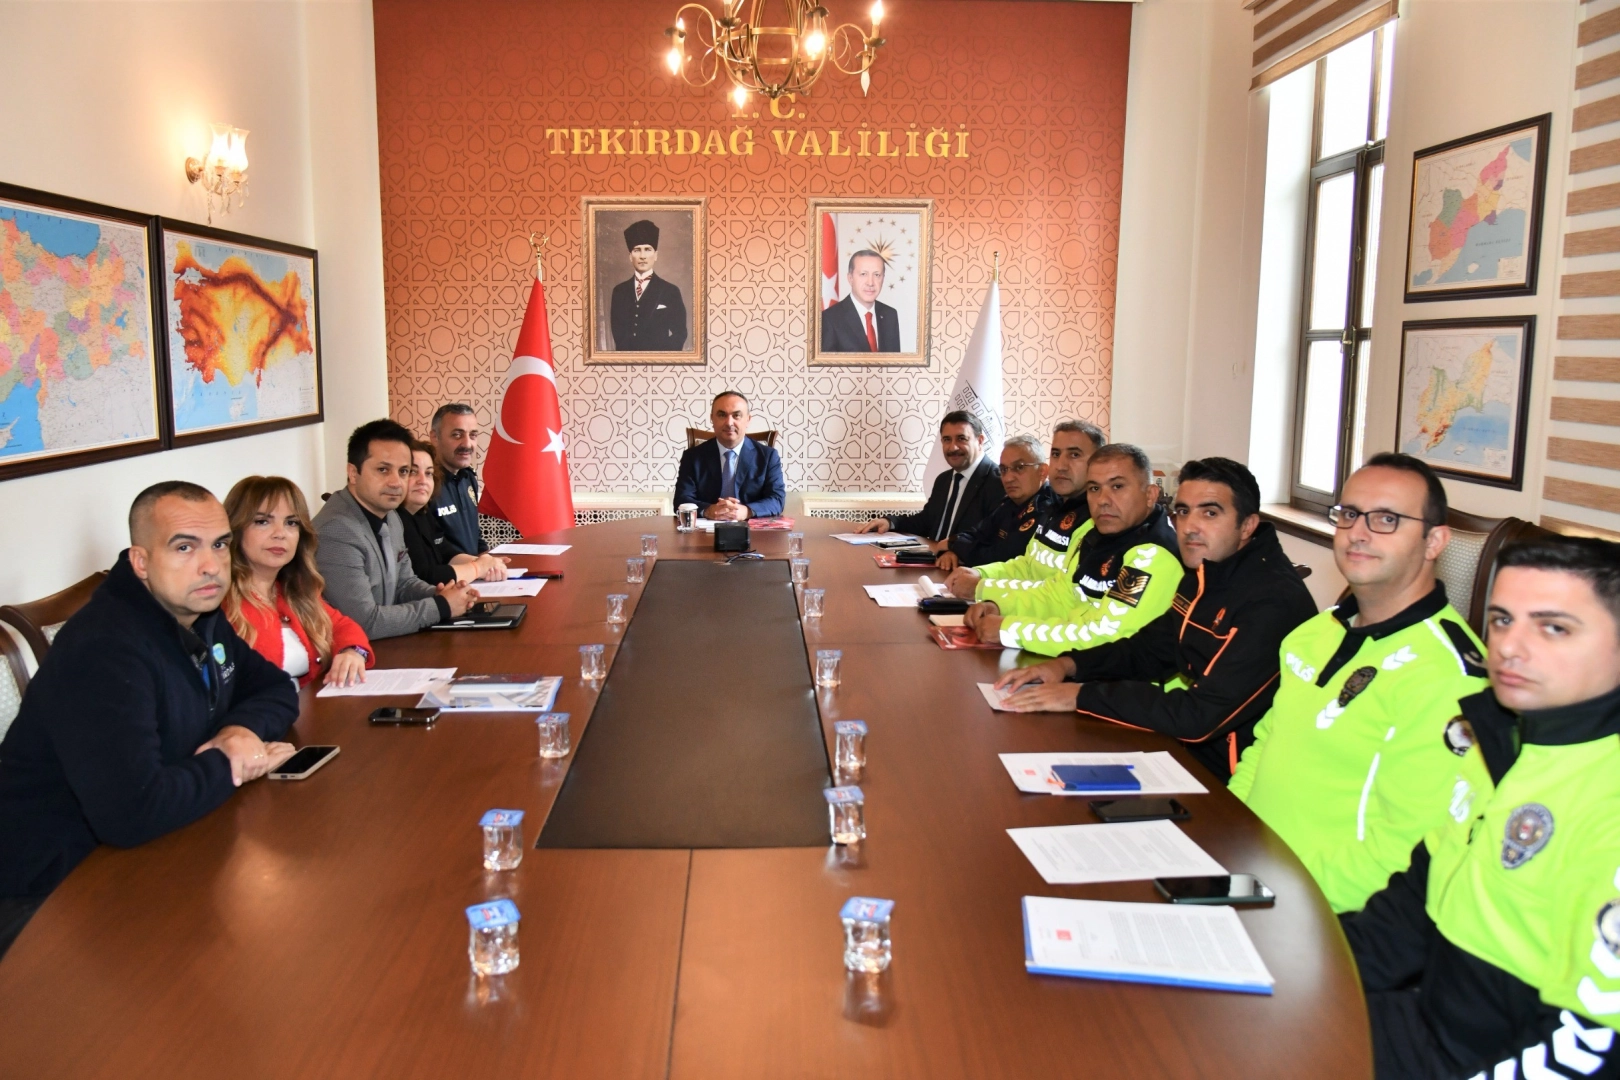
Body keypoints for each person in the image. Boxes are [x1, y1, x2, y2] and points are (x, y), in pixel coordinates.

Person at [1342, 536, 1620, 1079]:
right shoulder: (1496, 741)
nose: (1509, 646)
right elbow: (1410, 908)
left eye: (1553, 628)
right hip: (1428, 1026)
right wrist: (1299, 978)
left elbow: (1589, 1047)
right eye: (1501, 620)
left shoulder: (1605, 797)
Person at [0, 482, 299, 957]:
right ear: (140, 562)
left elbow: (275, 688)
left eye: (220, 545)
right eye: (184, 547)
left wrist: (239, 731)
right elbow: (132, 812)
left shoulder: (197, 610)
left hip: (152, 846)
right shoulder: (105, 648)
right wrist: (231, 763)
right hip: (47, 890)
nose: (211, 566)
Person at [1227, 453, 1489, 915]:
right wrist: (1223, 843)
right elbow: (1264, 747)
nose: (1358, 532)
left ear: (1434, 541)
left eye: (1387, 519)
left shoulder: (1449, 677)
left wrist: (1273, 896)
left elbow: (1404, 854)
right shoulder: (1313, 633)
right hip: (1250, 875)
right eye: (1349, 514)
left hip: (1331, 916)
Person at [991, 458, 1317, 780]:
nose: (1190, 527)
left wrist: (1080, 695)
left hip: (1233, 777)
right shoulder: (1208, 568)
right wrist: (1068, 666)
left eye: (1210, 513)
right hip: (1182, 748)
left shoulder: (1273, 601)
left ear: (1247, 525)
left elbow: (1200, 716)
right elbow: (1150, 649)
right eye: (1184, 511)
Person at [963, 443, 1183, 657]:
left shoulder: (1155, 555)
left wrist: (1011, 630)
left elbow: (1106, 637)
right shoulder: (1096, 536)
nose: (1103, 500)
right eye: (1094, 488)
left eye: (1117, 487)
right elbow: (1060, 596)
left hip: (1122, 678)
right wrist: (999, 606)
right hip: (1080, 666)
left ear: (1150, 495)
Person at [314, 419, 478, 639]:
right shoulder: (336, 531)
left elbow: (404, 584)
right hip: (347, 653)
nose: (396, 482)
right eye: (383, 470)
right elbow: (364, 622)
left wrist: (442, 594)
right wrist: (441, 606)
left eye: (403, 471)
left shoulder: (390, 516)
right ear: (353, 473)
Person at [222, 476, 375, 690]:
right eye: (262, 521)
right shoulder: (220, 602)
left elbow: (342, 625)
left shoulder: (293, 590)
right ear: (235, 529)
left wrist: (351, 652)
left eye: (291, 523)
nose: (280, 534)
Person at [944, 419, 1104, 598]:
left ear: (1098, 463)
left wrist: (983, 588)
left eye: (1074, 455)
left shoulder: (1099, 519)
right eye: (1056, 454)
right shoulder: (1056, 509)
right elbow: (1027, 566)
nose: (1060, 465)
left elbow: (1064, 597)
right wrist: (981, 573)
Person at [855, 411, 1002, 548]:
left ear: (980, 440)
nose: (953, 447)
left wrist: (956, 551)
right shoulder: (943, 480)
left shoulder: (998, 482)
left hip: (964, 564)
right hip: (931, 557)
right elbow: (925, 522)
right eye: (947, 440)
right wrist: (889, 522)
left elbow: (993, 540)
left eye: (961, 439)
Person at [400, 441, 512, 587]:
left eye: (428, 473)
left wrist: (488, 563)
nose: (423, 481)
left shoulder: (422, 514)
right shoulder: (396, 521)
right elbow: (426, 576)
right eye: (413, 472)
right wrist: (478, 568)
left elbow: (445, 552)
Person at [938, 435, 1055, 573]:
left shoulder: (1047, 508)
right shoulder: (1010, 504)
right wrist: (953, 551)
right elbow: (976, 534)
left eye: (1019, 467)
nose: (1008, 478)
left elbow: (1000, 558)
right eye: (1004, 469)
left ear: (1042, 472)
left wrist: (954, 544)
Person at [673, 391, 786, 521]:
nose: (729, 423)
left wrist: (747, 511)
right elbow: (681, 500)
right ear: (712, 419)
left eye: (736, 415)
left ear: (748, 420)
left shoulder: (768, 456)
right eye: (722, 415)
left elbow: (777, 500)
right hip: (706, 529)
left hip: (751, 530)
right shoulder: (692, 457)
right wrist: (708, 510)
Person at [426, 402, 500, 564]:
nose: (467, 444)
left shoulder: (468, 477)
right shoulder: (424, 484)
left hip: (474, 572)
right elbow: (433, 546)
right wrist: (478, 565)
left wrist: (487, 558)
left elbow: (474, 534)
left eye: (473, 435)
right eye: (457, 435)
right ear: (435, 437)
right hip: (447, 575)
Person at [609, 219, 687, 351]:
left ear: (655, 255)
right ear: (630, 256)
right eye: (637, 250)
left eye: (647, 249)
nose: (642, 256)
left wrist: (658, 357)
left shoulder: (670, 291)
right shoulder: (619, 292)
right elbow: (618, 334)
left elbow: (680, 334)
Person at [821, 250, 900, 353]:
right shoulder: (830, 319)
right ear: (850, 278)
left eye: (877, 275)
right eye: (863, 274)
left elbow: (895, 362)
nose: (870, 283)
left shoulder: (890, 315)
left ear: (883, 278)